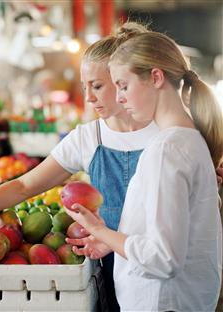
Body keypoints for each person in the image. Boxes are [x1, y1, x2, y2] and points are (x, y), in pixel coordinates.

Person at [0, 22, 157, 311]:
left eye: (97, 86)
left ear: (121, 80)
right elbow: (25, 185)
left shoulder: (166, 133)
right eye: (84, 87)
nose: (89, 97)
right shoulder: (89, 137)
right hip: (111, 265)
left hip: (160, 259)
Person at [65, 31, 223, 311]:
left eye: (123, 86)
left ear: (156, 77)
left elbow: (162, 259)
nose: (121, 97)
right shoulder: (189, 140)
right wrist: (112, 243)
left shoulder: (167, 150)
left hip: (162, 302)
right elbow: (165, 234)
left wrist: (97, 229)